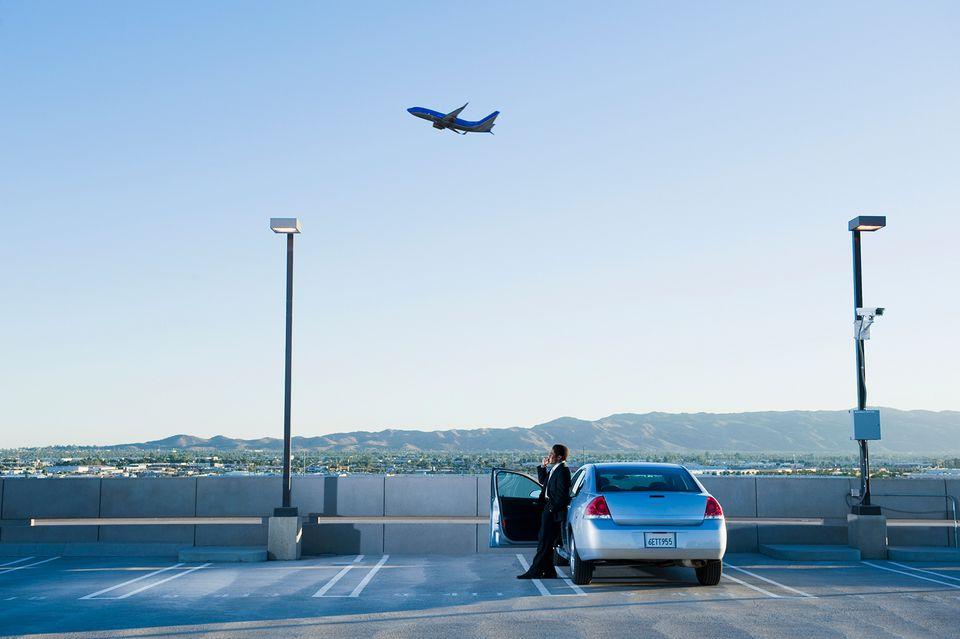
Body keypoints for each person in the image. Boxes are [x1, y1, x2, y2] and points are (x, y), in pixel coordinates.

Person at [517, 443, 571, 579]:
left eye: (552, 454)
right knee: (546, 542)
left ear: (559, 457)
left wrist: (552, 509)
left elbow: (562, 495)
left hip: (553, 512)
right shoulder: (555, 469)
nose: (549, 456)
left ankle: (534, 571)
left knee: (544, 543)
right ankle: (549, 571)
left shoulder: (563, 471)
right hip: (548, 508)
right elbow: (543, 481)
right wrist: (543, 466)